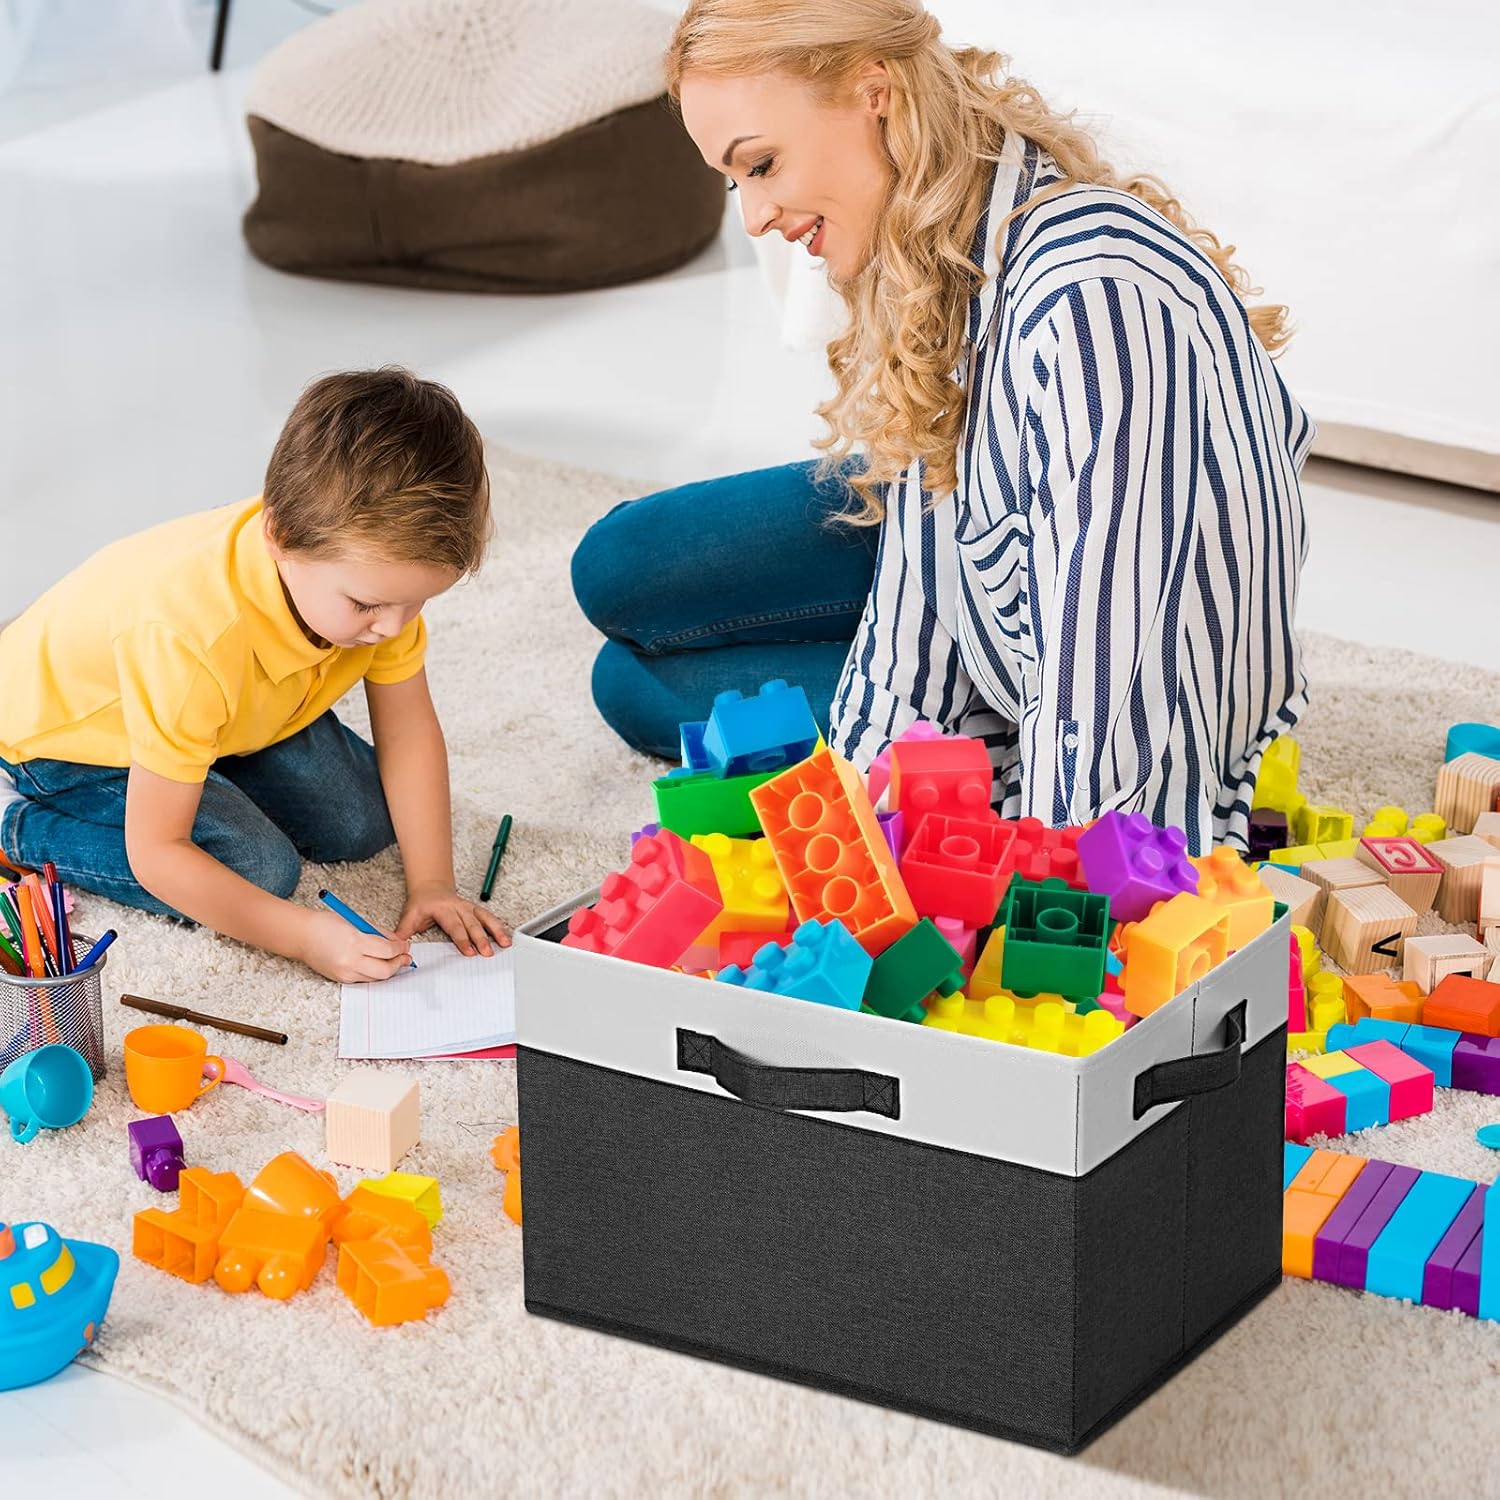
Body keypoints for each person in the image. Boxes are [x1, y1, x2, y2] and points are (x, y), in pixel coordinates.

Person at [572, 0, 1312, 853]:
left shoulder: (1089, 300)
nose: (754, 218)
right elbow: (918, 594)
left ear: (874, 92)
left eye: (763, 164)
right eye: (736, 182)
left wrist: (1062, 888)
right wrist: (851, 821)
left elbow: (1118, 680)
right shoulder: (939, 258)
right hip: (1007, 637)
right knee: (623, 644)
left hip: (1098, 680)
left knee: (638, 677)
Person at [0, 368, 509, 980]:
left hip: (232, 715)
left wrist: (433, 883)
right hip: (67, 743)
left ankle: (207, 761)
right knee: (258, 869)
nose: (394, 627)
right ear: (281, 538)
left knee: (363, 823)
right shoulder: (189, 636)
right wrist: (304, 938)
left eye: (417, 602)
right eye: (367, 606)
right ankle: (16, 826)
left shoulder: (368, 590)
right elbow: (157, 851)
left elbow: (408, 732)